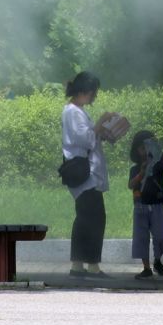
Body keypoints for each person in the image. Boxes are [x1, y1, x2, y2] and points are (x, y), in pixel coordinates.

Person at [62, 71, 114, 279]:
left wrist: (103, 132)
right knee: (93, 217)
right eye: (94, 92)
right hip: (84, 174)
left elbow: (88, 136)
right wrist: (101, 123)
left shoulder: (77, 110)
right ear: (85, 91)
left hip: (87, 173)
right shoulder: (72, 111)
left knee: (86, 217)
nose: (95, 96)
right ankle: (90, 265)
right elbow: (83, 139)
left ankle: (79, 265)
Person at [128, 130, 163, 280]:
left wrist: (156, 147)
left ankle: (157, 260)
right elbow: (131, 184)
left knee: (161, 236)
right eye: (141, 148)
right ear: (136, 151)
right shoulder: (134, 168)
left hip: (157, 203)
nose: (144, 151)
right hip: (140, 205)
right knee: (141, 237)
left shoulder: (158, 165)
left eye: (147, 147)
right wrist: (141, 172)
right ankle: (146, 268)